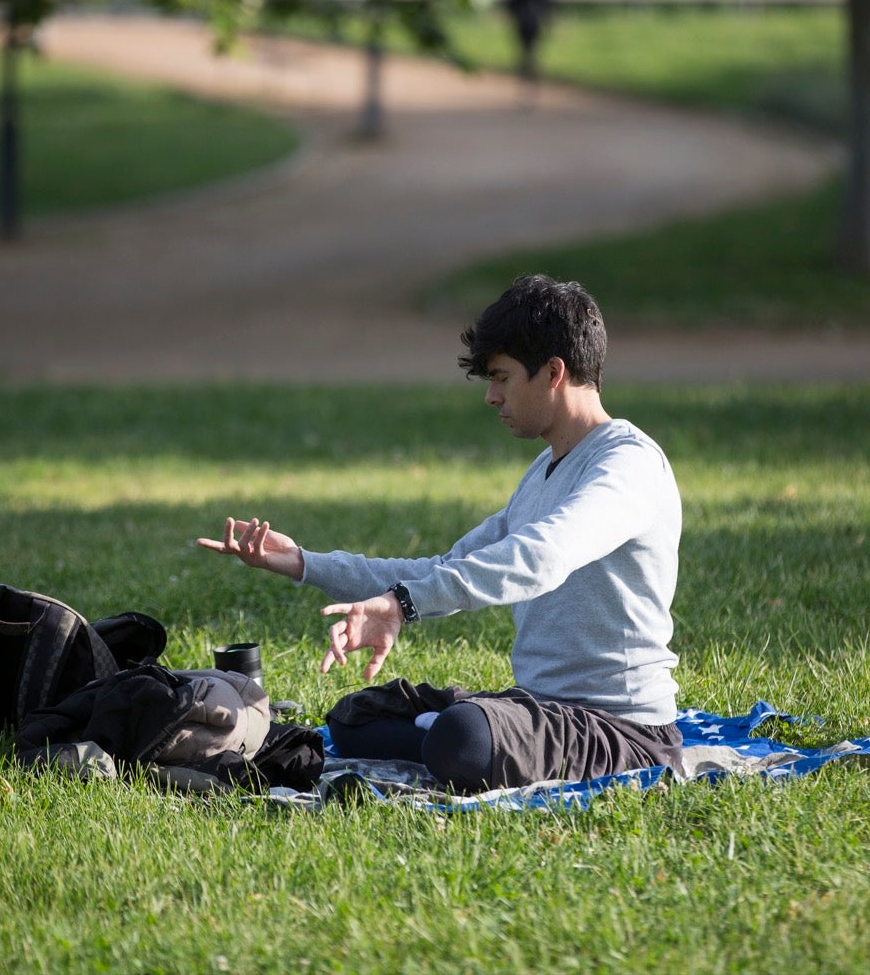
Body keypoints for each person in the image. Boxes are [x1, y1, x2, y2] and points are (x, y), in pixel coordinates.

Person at [196, 275, 682, 792]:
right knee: (356, 716)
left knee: (463, 737)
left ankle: (464, 737)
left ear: (554, 372)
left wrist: (403, 605)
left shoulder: (628, 466)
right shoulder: (547, 467)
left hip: (625, 730)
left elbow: (540, 557)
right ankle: (468, 736)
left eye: (502, 377)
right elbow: (441, 570)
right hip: (543, 711)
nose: (491, 397)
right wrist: (304, 562)